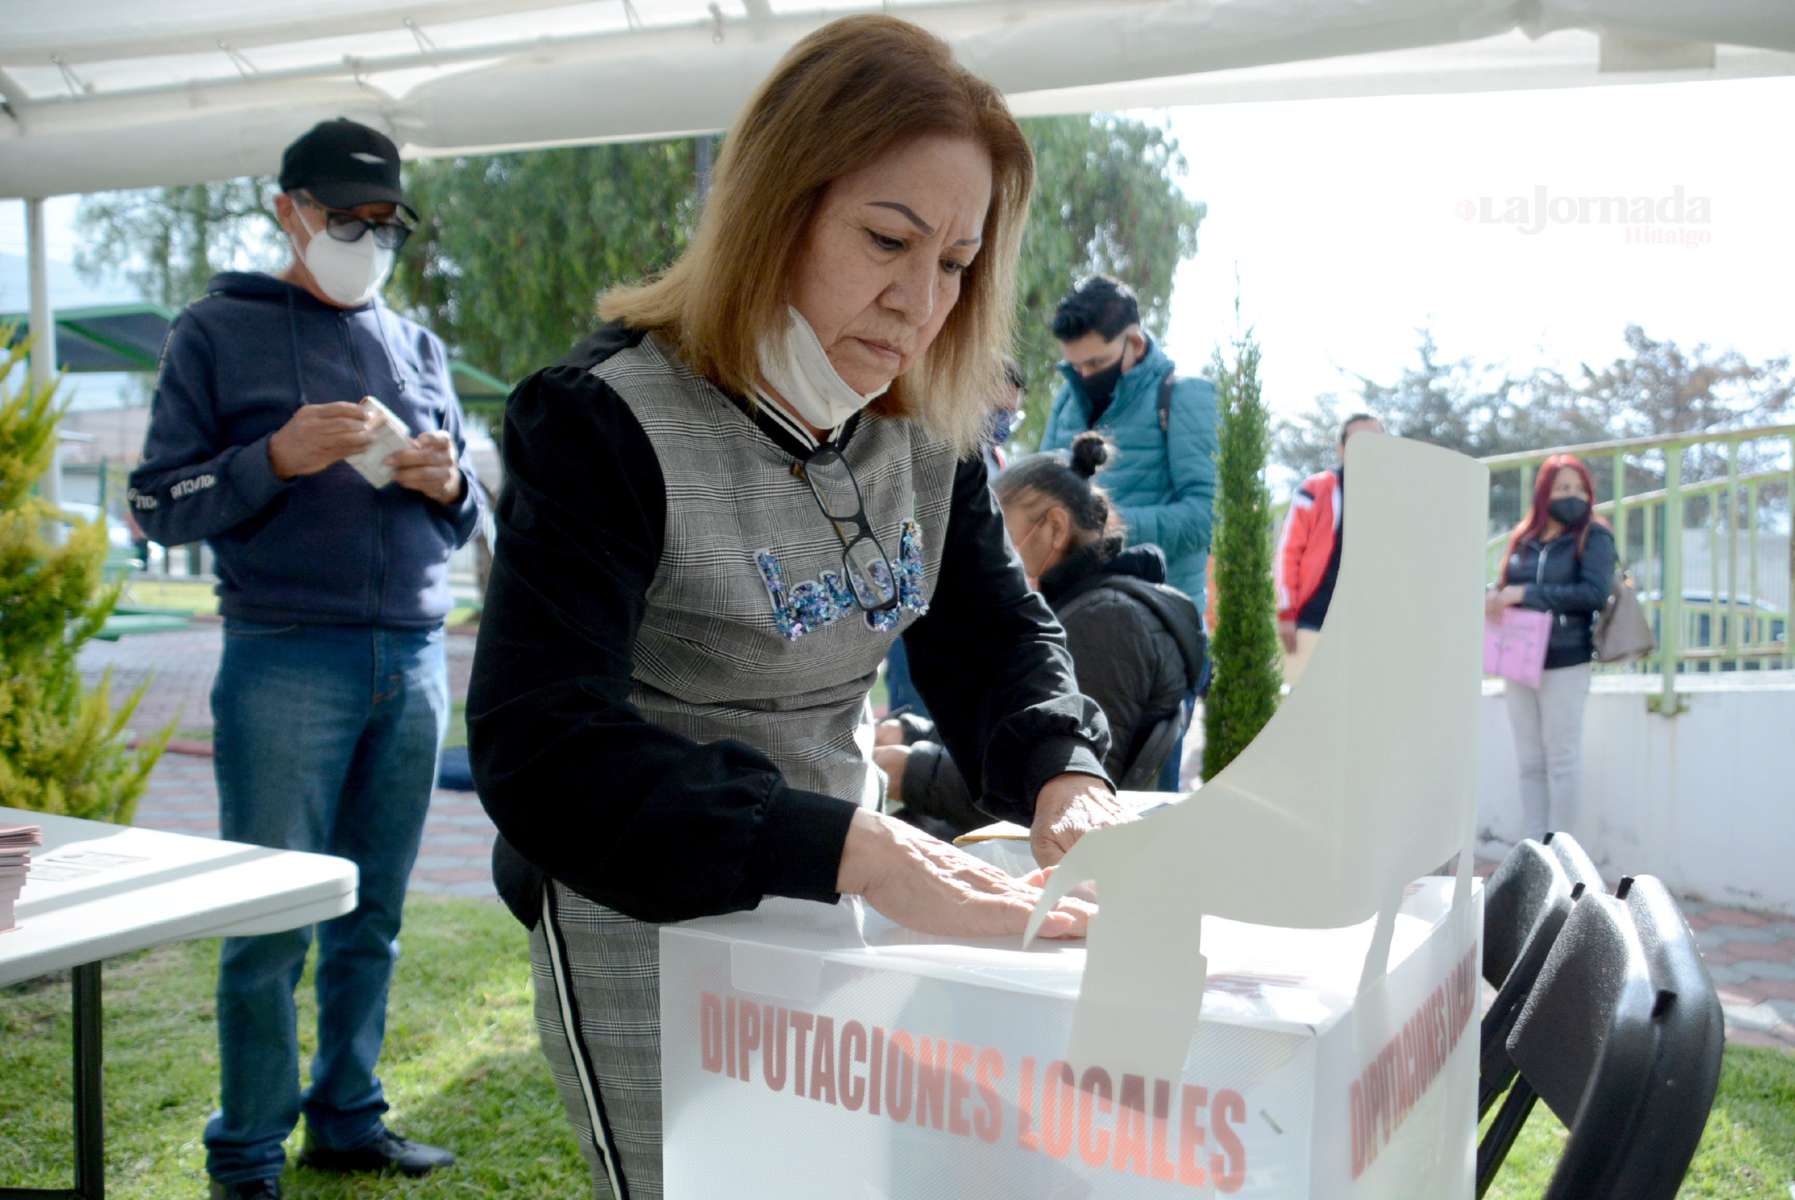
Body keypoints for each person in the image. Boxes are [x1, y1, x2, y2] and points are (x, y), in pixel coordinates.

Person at [467, 17, 1123, 1199]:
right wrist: (857, 851)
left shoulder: (929, 432)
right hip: (654, 905)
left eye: (956, 262)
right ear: (777, 207)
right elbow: (541, 747)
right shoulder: (603, 421)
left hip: (852, 881)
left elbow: (992, 634)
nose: (920, 300)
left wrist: (1065, 770)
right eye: (887, 238)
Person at [127, 117, 479, 1198]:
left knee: (374, 912)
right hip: (285, 657)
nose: (366, 239)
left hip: (415, 656)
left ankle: (348, 1119)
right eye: (344, 219)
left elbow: (468, 516)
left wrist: (447, 482)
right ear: (287, 211)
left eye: (385, 224)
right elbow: (155, 504)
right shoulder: (216, 331)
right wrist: (270, 458)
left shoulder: (415, 345)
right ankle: (243, 1154)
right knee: (272, 917)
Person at [876, 433, 1206, 836]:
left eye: (999, 531)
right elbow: (1030, 723)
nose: (990, 549)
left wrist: (912, 771)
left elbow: (1060, 771)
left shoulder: (1107, 621)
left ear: (1054, 526)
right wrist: (917, 732)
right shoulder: (1098, 609)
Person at [1039, 274, 1218, 610]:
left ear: (1134, 343)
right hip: (1075, 612)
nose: (1085, 375)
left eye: (1095, 362)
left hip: (1156, 621)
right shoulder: (1066, 398)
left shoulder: (1184, 395)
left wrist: (1104, 527)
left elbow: (1205, 516)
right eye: (1075, 365)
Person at [882, 355, 1024, 718]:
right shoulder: (925, 444)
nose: (1002, 422)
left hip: (971, 600)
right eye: (996, 410)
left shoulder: (997, 460)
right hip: (923, 598)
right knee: (912, 710)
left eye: (1010, 414)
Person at [1486, 453, 1615, 842]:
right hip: (1520, 658)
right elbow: (1507, 583)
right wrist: (1497, 595)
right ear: (1544, 493)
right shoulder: (1523, 538)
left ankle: (1562, 855)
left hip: (1566, 657)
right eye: (1562, 488)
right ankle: (1533, 851)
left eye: (1578, 488)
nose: (1571, 496)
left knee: (1562, 760)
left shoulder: (1594, 535)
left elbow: (1593, 594)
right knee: (1529, 761)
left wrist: (1527, 592)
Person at [1274, 412, 1385, 685]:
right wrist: (1286, 613)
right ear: (1342, 448)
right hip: (1316, 616)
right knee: (1312, 704)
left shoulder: (1394, 493)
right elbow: (1289, 552)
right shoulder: (1316, 489)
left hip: (1372, 622)